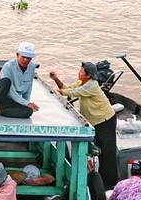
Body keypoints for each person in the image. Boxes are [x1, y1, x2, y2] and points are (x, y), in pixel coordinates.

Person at [50, 61, 119, 189]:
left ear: (88, 75)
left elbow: (73, 93)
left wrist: (56, 91)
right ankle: (94, 177)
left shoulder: (91, 85)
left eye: (82, 71)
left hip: (105, 120)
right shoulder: (81, 82)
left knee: (107, 152)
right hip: (93, 121)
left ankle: (110, 184)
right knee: (97, 149)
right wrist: (56, 79)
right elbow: (68, 88)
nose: (79, 72)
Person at [0, 42, 40, 121]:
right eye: (23, 57)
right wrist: (27, 103)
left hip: (10, 100)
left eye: (29, 58)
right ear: (17, 55)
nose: (26, 60)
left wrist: (26, 103)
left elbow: (28, 87)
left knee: (28, 112)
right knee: (6, 81)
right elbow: (10, 91)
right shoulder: (8, 66)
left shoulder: (32, 67)